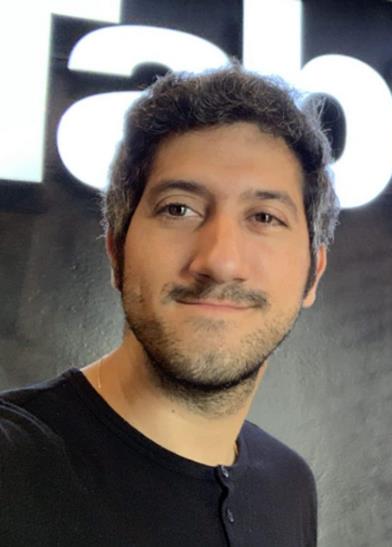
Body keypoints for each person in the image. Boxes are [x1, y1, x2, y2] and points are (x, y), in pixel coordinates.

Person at [0, 64, 339, 546]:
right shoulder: (13, 464)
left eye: (265, 217)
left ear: (313, 274)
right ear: (117, 250)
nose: (219, 262)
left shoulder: (289, 485)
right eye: (179, 208)